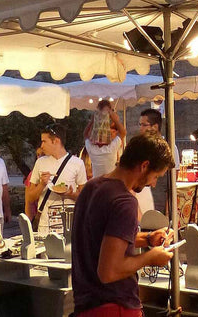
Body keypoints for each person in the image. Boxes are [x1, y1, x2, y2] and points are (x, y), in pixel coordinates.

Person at [72, 131, 175, 317]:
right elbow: (108, 271)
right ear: (144, 166)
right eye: (156, 177)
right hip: (114, 307)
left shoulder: (91, 187)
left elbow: (104, 239)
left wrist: (148, 239)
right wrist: (151, 257)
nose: (153, 184)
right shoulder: (124, 201)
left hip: (85, 305)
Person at [28, 124, 87, 235]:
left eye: (44, 141)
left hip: (68, 226)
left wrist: (70, 194)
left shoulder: (77, 163)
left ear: (55, 141)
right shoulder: (40, 162)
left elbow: (84, 198)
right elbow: (30, 197)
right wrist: (42, 184)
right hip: (45, 226)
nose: (41, 146)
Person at [138, 108, 180, 215]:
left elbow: (173, 177)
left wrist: (168, 206)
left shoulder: (169, 147)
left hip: (159, 200)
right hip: (140, 197)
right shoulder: (139, 146)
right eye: (140, 124)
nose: (140, 128)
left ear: (155, 127)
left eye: (144, 125)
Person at [84, 106, 127, 178]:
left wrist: (92, 121)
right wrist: (115, 119)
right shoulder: (111, 148)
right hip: (110, 183)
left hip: (96, 184)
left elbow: (85, 134)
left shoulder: (91, 148)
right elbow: (123, 132)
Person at [24, 147, 44, 221]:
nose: (40, 157)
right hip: (38, 217)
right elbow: (28, 201)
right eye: (38, 155)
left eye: (43, 154)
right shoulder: (33, 175)